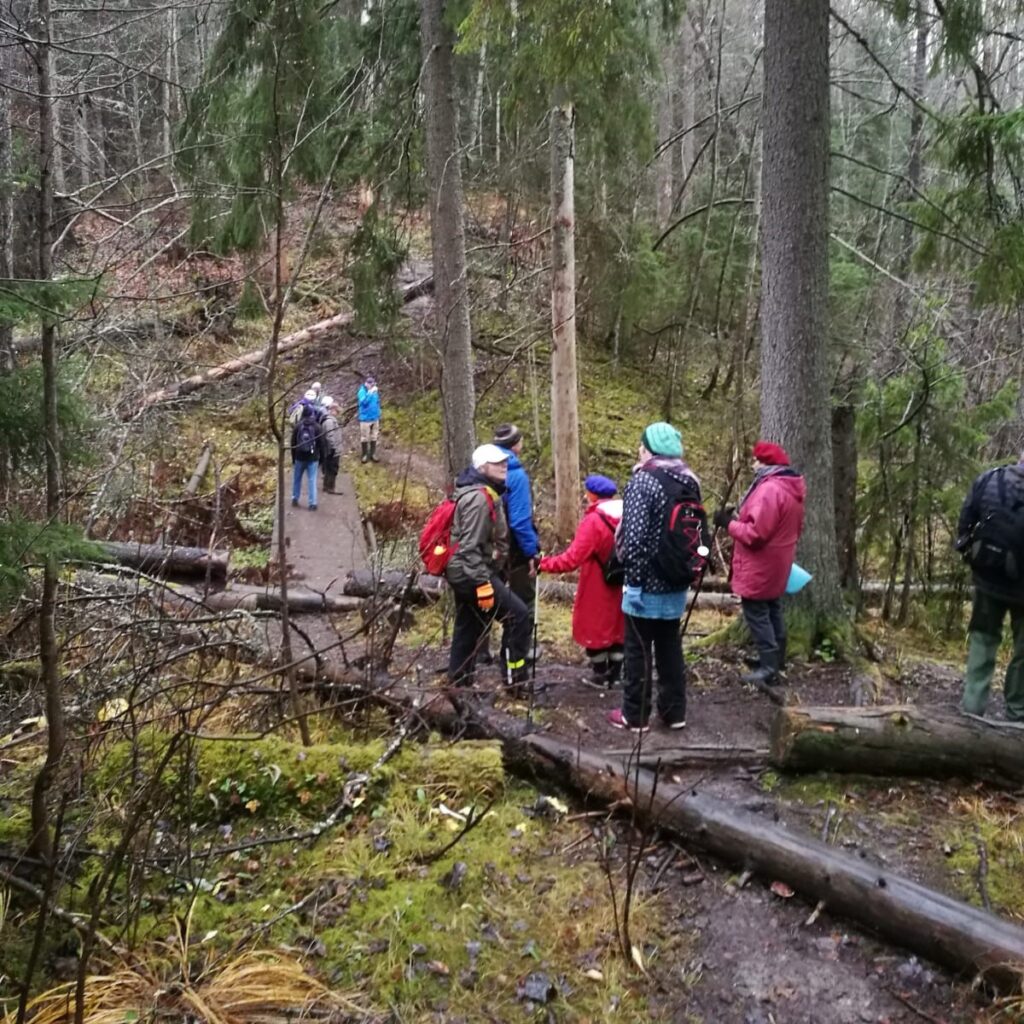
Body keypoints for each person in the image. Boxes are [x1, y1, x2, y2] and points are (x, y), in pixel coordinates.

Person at [607, 422, 698, 732]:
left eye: (641, 444)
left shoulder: (643, 481)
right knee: (670, 646)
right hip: (677, 578)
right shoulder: (689, 479)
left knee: (638, 649)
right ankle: (674, 713)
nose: (639, 449)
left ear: (649, 448)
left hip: (645, 581)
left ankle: (634, 716)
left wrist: (631, 583)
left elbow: (632, 539)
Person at [714, 441, 806, 691]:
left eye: (756, 460)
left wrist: (728, 524)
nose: (753, 464)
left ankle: (768, 666)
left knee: (756, 610)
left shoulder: (769, 490)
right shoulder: (791, 487)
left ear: (766, 464)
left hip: (761, 562)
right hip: (778, 562)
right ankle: (776, 661)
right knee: (772, 607)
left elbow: (756, 534)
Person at [446, 444, 533, 692]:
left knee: (470, 623)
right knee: (517, 616)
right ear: (482, 468)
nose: (504, 466)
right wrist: (484, 584)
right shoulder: (478, 498)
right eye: (497, 463)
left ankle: (459, 683)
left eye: (505, 462)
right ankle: (515, 681)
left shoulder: (485, 492)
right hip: (471, 574)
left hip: (467, 573)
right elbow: (469, 548)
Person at [956, 455, 1024, 721]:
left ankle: (972, 709)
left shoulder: (989, 479)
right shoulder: (988, 478)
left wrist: (969, 556)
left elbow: (965, 522)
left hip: (987, 580)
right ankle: (1018, 714)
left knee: (983, 641)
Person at [539, 475, 625, 686]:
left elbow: (571, 559)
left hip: (597, 585)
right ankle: (616, 675)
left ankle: (600, 674)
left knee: (594, 629)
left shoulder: (594, 521)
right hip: (625, 583)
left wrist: (543, 563)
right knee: (619, 629)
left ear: (591, 495)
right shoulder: (630, 515)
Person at [492, 423, 541, 656]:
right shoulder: (517, 475)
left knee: (490, 600)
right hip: (515, 551)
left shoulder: (485, 468)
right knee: (524, 600)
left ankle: (481, 651)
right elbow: (520, 521)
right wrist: (531, 551)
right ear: (515, 445)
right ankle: (521, 649)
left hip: (489, 549)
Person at [290, 401, 324, 510]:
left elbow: (293, 442)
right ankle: (312, 503)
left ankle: (295, 498)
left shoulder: (298, 426)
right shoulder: (317, 427)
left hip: (299, 457)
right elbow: (322, 444)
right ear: (312, 414)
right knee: (312, 480)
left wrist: (293, 457)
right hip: (312, 458)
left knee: (297, 478)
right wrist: (321, 459)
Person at [320, 398, 342, 494]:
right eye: (337, 411)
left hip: (330, 450)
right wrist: (333, 447)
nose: (337, 413)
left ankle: (326, 486)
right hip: (332, 450)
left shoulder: (329, 420)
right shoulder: (329, 422)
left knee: (329, 468)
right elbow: (330, 436)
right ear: (332, 410)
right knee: (332, 469)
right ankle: (330, 487)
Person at [358, 376, 381, 463]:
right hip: (365, 418)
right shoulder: (362, 391)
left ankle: (373, 453)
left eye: (373, 384)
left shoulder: (375, 392)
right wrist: (370, 393)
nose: (372, 385)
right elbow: (364, 402)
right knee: (364, 437)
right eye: (370, 384)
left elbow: (377, 402)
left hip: (375, 417)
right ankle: (364, 454)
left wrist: (378, 412)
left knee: (374, 435)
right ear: (366, 383)